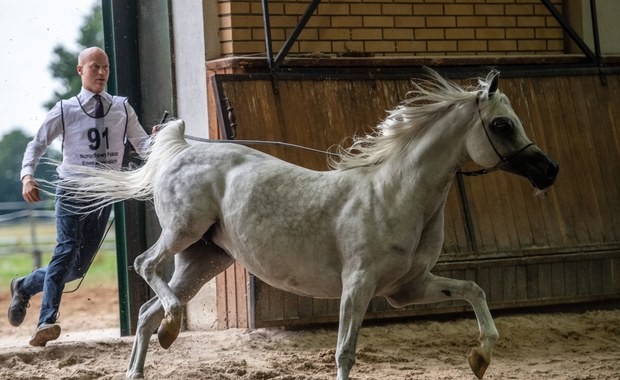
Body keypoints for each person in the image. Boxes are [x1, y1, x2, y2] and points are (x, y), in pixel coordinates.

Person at [8, 47, 154, 347]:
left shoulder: (122, 108)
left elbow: (143, 145)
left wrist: (160, 142)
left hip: (102, 196)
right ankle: (46, 321)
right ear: (80, 71)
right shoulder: (65, 109)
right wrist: (27, 176)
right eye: (95, 67)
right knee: (66, 251)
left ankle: (23, 286)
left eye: (106, 67)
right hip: (72, 191)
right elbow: (36, 145)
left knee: (75, 269)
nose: (102, 73)